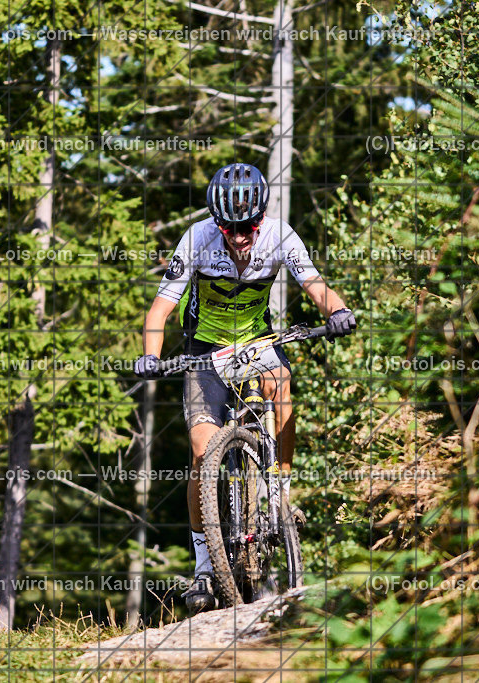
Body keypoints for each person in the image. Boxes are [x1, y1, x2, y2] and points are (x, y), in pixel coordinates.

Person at [134, 163, 356, 613]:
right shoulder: (197, 239)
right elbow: (159, 310)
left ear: (261, 218)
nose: (238, 237)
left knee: (281, 383)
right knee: (202, 450)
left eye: (247, 228)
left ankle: (279, 488)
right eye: (229, 228)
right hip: (204, 351)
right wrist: (152, 357)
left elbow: (314, 285)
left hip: (258, 341)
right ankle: (202, 567)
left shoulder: (280, 235)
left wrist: (339, 311)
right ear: (218, 222)